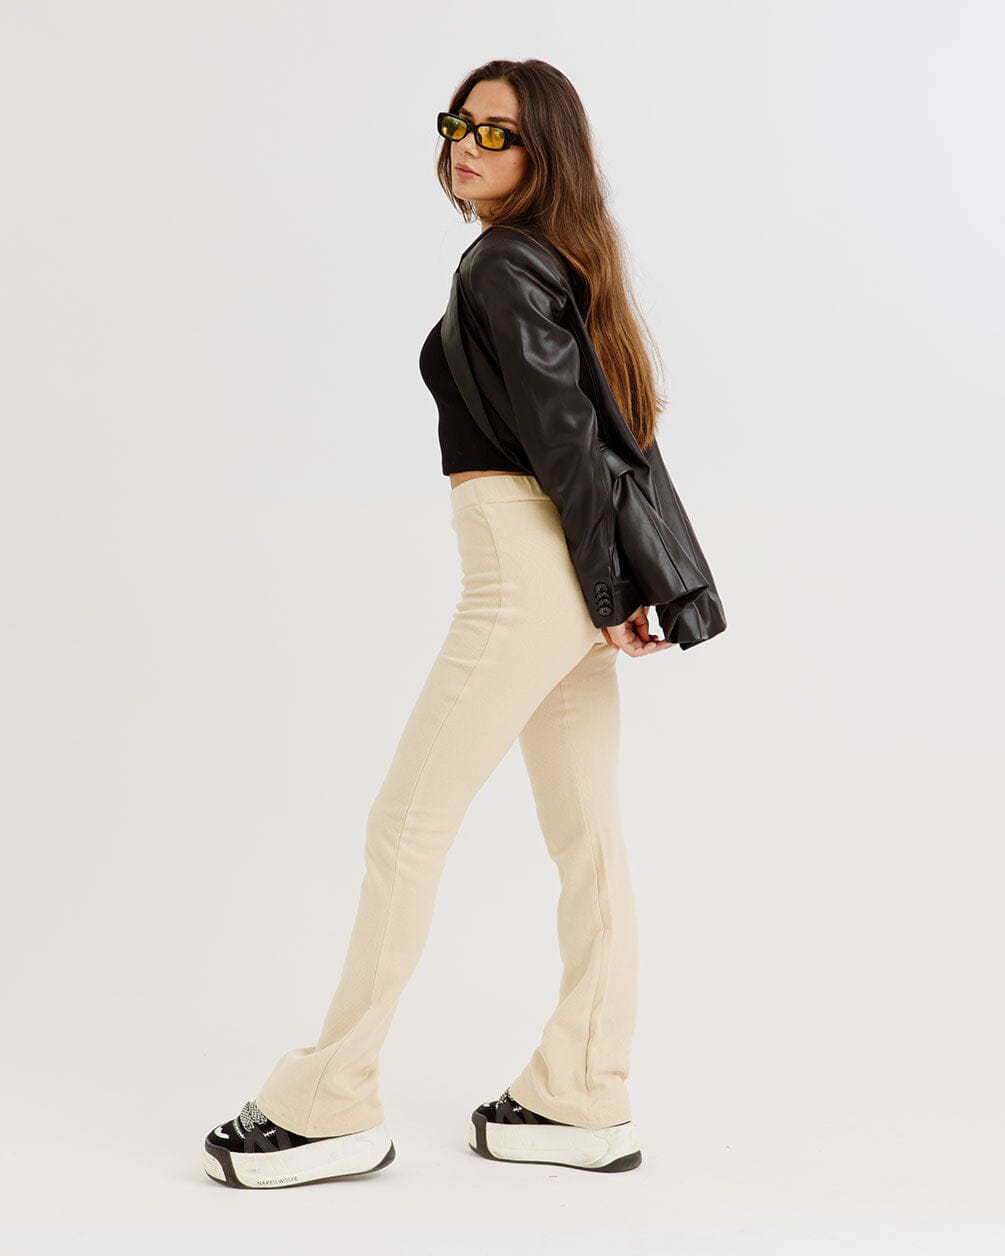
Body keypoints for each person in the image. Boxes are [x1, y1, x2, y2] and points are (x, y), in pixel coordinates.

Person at [204, 58, 724, 1190]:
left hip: (525, 573)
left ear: (547, 153)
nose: (467, 146)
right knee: (587, 840)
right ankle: (581, 1092)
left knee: (406, 825)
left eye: (499, 132)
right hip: (565, 573)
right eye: (459, 125)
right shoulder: (558, 262)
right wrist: (615, 591)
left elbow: (571, 441)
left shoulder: (501, 264)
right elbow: (607, 439)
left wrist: (602, 595)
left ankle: (329, 1102)